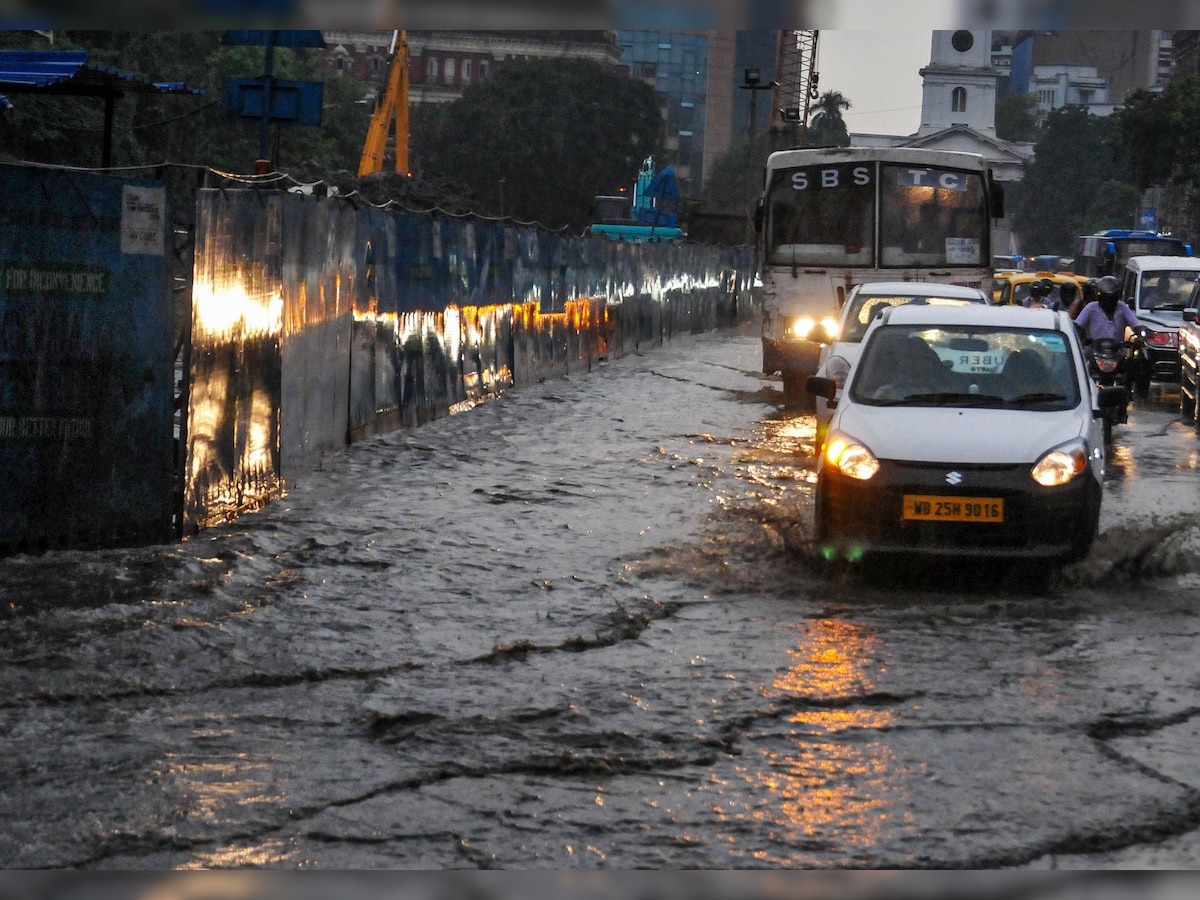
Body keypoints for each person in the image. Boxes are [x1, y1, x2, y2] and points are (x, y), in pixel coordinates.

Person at [1074, 275, 1141, 344]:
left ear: (1117, 297)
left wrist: (1142, 333)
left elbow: (1136, 325)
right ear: (1099, 297)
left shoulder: (1122, 307)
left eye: (1111, 298)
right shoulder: (1091, 307)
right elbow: (1078, 325)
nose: (1108, 302)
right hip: (1094, 349)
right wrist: (1080, 338)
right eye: (1105, 298)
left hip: (1117, 350)